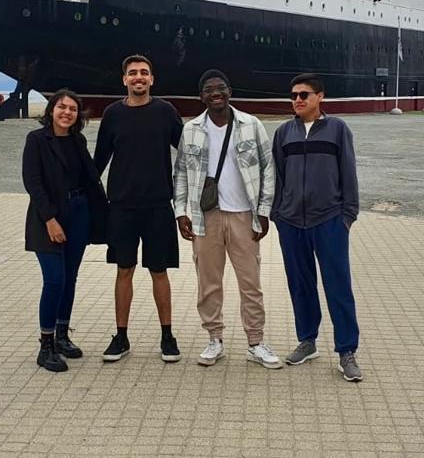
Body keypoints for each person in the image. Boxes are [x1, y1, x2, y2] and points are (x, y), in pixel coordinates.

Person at [173, 70, 280, 368]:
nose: (215, 93)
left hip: (244, 215)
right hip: (205, 217)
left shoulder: (251, 125)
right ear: (201, 96)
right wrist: (180, 212)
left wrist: (263, 210)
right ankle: (214, 339)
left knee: (251, 283)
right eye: (209, 90)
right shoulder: (191, 129)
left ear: (230, 91)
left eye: (220, 88)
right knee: (208, 283)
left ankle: (255, 342)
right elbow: (180, 172)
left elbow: (268, 169)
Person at [271, 73, 364, 382]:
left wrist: (347, 215)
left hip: (330, 220)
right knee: (300, 284)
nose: (297, 100)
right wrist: (277, 214)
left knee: (338, 285)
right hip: (291, 222)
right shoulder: (284, 133)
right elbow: (278, 176)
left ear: (320, 96)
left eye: (304, 94)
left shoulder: (338, 129)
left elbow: (348, 172)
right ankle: (307, 341)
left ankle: (346, 351)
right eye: (293, 95)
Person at [94, 55, 185, 363]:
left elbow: (189, 151)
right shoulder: (112, 114)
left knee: (159, 272)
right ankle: (121, 337)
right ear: (124, 79)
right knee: (124, 270)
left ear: (152, 79)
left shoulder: (165, 111)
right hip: (121, 207)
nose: (138, 77)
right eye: (132, 73)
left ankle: (167, 336)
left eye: (144, 73)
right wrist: (80, 197)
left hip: (158, 206)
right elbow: (99, 161)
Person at [22, 89, 108, 372]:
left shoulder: (77, 140)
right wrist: (50, 219)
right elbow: (33, 183)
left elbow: (89, 177)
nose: (67, 113)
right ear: (51, 110)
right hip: (48, 218)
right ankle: (45, 345)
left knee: (70, 278)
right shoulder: (37, 140)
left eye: (72, 109)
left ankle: (62, 335)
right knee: (54, 280)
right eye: (62, 107)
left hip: (79, 213)